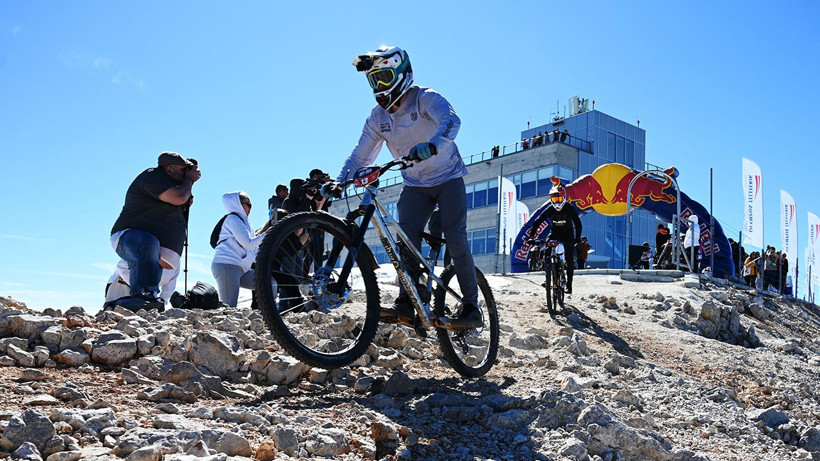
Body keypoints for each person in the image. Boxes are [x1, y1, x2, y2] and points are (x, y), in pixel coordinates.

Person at [327, 45, 480, 329]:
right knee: (405, 243)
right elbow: (360, 157)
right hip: (414, 184)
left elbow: (451, 120)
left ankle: (472, 306)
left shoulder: (425, 98)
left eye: (384, 77)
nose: (379, 87)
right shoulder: (378, 117)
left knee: (455, 238)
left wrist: (432, 145)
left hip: (448, 177)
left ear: (402, 73)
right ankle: (408, 300)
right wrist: (339, 182)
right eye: (374, 81)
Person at [110, 152, 201, 311]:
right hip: (127, 236)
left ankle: (139, 305)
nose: (186, 173)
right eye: (183, 169)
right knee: (148, 243)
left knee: (149, 265)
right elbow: (179, 197)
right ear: (170, 169)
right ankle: (146, 294)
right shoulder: (152, 176)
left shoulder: (172, 186)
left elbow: (182, 201)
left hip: (151, 243)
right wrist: (190, 180)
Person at [211, 191, 265, 307]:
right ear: (237, 204)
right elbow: (248, 243)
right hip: (227, 266)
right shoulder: (233, 219)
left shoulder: (246, 223)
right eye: (248, 204)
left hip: (243, 269)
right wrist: (268, 234)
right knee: (229, 307)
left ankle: (267, 312)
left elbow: (253, 250)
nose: (250, 208)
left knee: (268, 283)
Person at [526, 184, 582, 294]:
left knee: (569, 260)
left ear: (564, 198)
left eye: (559, 199)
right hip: (555, 233)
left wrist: (577, 238)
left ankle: (569, 285)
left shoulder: (569, 208)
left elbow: (578, 224)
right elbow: (538, 221)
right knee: (547, 252)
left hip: (568, 234)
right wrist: (531, 237)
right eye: (554, 199)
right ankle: (548, 278)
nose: (557, 202)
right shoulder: (550, 209)